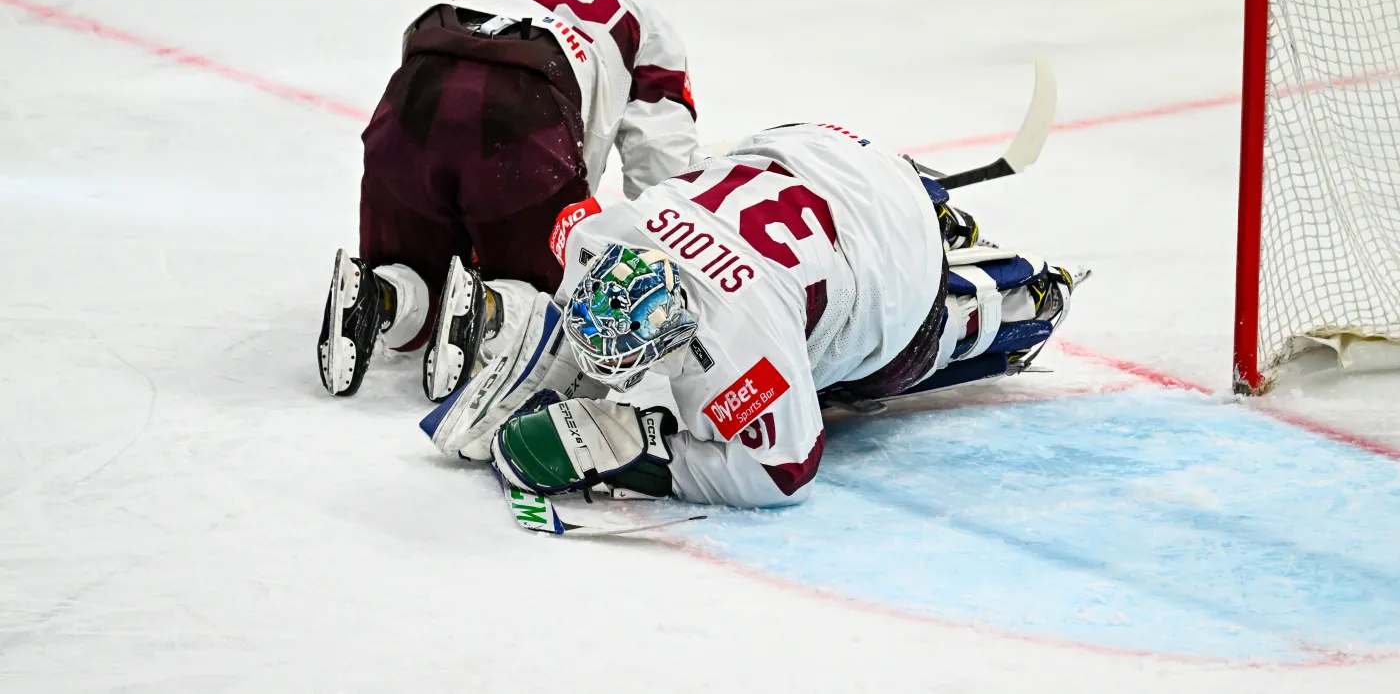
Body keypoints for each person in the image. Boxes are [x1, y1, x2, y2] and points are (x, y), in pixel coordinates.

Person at [419, 123, 1086, 508]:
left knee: (855, 378)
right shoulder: (613, 235)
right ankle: (936, 207)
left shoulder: (738, 335)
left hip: (892, 262)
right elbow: (580, 249)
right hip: (830, 153)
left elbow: (782, 469)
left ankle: (1016, 302)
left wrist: (648, 452)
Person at [318, 0, 697, 401]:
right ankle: (491, 306)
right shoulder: (642, 18)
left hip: (411, 104)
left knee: (415, 268)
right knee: (541, 299)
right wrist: (673, 245)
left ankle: (380, 294)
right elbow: (660, 155)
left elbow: (434, 63)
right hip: (525, 115)